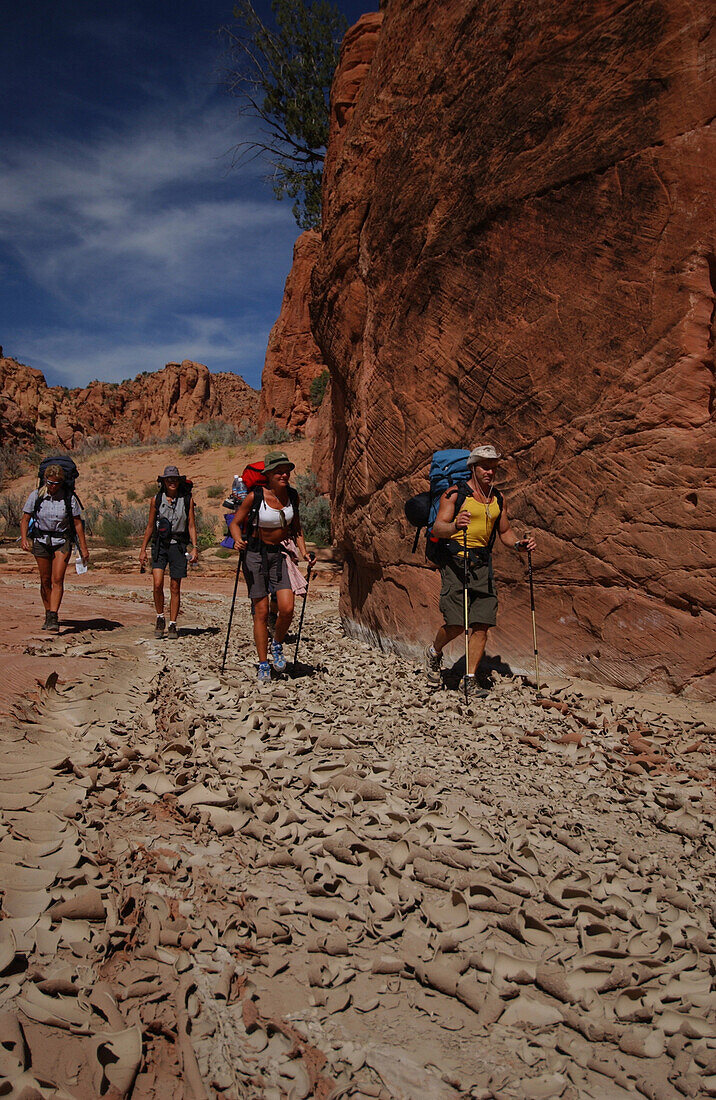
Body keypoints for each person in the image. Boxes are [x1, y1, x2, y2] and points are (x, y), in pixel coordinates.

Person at [424, 444, 536, 696]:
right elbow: (437, 528)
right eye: (485, 467)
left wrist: (520, 545)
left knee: (481, 624)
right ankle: (434, 652)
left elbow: (505, 532)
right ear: (473, 467)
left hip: (482, 566)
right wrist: (455, 526)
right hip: (456, 564)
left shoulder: (498, 498)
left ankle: (470, 679)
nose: (490, 472)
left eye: (493, 468)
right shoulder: (454, 495)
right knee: (455, 624)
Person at [229, 451, 314, 682]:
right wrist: (237, 539)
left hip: (279, 555)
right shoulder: (255, 496)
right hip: (255, 555)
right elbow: (236, 523)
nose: (284, 474)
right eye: (278, 471)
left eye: (286, 470)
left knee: (287, 608)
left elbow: (296, 528)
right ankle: (263, 662)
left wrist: (304, 551)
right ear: (268, 474)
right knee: (262, 612)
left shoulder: (292, 496)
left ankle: (276, 644)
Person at [20, 464, 90, 633]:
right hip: (41, 540)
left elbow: (77, 523)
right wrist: (24, 538)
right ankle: (47, 611)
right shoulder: (37, 495)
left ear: (61, 482)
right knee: (45, 580)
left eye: (56, 483)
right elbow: (25, 518)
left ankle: (53, 615)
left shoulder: (69, 498)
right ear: (45, 480)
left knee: (57, 579)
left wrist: (84, 547)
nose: (52, 486)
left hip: (62, 541)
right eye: (50, 482)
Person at [139, 466, 198, 639]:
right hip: (160, 545)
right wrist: (143, 549)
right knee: (157, 583)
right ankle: (159, 617)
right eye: (168, 479)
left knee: (175, 586)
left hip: (178, 546)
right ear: (163, 482)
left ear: (179, 481)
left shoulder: (187, 500)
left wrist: (194, 547)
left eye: (175, 479)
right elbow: (150, 525)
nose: (172, 482)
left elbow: (191, 525)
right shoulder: (156, 499)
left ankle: (172, 623)